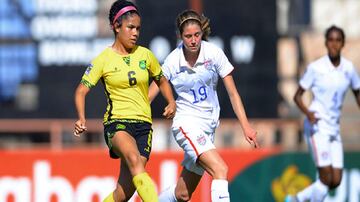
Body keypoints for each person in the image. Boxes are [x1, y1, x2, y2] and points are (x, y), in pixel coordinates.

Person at [149, 10, 259, 202]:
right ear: (180, 36)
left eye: (197, 35)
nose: (193, 40)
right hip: (186, 125)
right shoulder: (173, 60)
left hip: (208, 127)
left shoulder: (214, 53)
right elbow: (152, 90)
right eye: (188, 36)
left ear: (202, 33)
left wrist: (246, 126)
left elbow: (233, 94)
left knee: (182, 195)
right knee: (220, 169)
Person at [73, 1, 176, 201]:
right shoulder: (103, 59)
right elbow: (80, 91)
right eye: (130, 27)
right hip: (117, 124)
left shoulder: (145, 55)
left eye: (138, 28)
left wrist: (171, 101)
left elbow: (162, 80)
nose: (135, 33)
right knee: (134, 159)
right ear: (116, 26)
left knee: (124, 193)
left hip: (144, 127)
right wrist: (81, 118)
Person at [287, 25, 360, 202]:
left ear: (343, 44)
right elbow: (297, 96)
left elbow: (357, 92)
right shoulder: (316, 68)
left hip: (334, 128)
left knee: (336, 180)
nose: (334, 44)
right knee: (326, 177)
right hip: (317, 126)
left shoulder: (349, 69)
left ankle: (297, 199)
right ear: (326, 43)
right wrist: (308, 113)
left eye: (338, 40)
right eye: (331, 40)